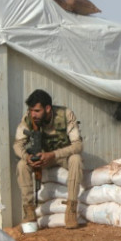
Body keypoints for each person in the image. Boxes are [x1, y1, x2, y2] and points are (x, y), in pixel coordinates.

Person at [13, 89, 83, 230]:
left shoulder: (65, 115)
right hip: (42, 159)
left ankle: (71, 209)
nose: (33, 114)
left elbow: (78, 145)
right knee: (21, 164)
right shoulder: (28, 119)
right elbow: (17, 144)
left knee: (76, 159)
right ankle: (29, 210)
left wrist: (53, 154)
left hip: (62, 156)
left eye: (37, 110)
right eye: (31, 110)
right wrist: (27, 157)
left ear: (48, 108)